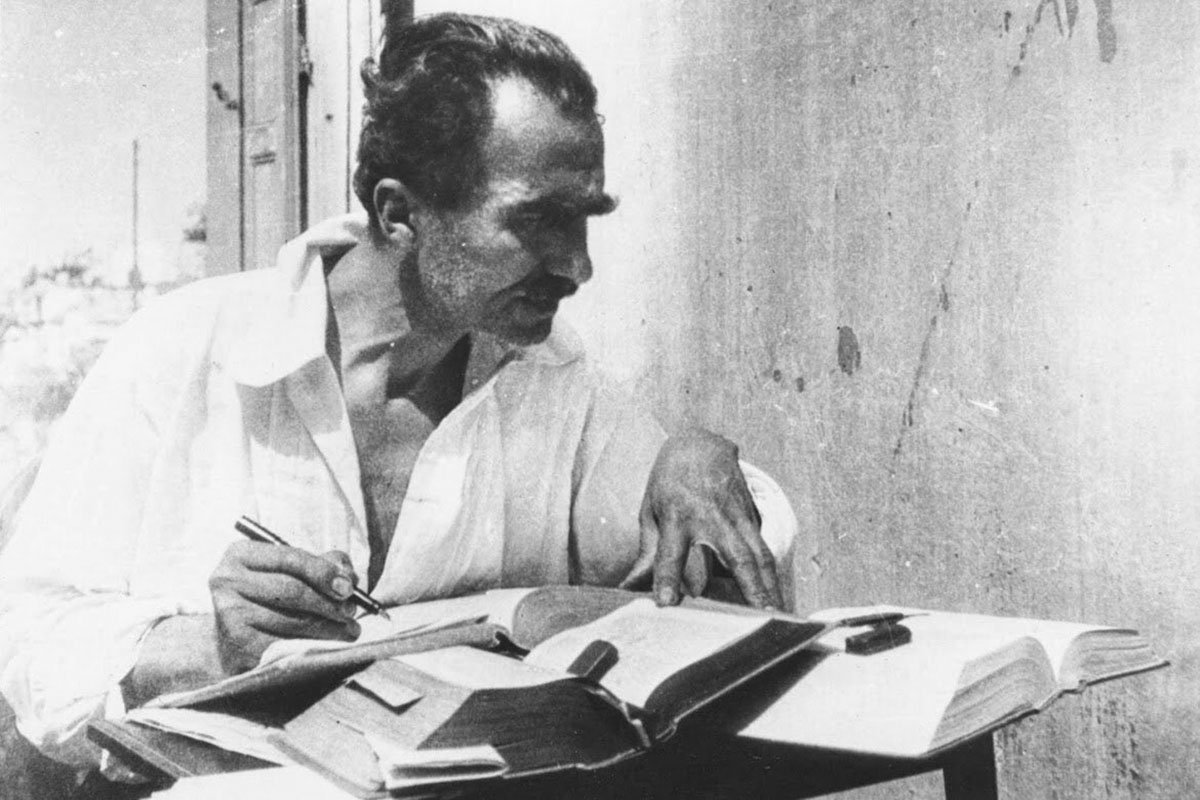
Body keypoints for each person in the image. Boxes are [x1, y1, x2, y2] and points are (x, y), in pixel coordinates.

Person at [0, 12, 794, 771]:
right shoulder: (183, 351)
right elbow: (29, 644)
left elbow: (705, 542)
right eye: (537, 221)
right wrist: (212, 645)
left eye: (585, 218)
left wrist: (694, 459)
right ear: (399, 211)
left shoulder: (552, 379)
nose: (577, 266)